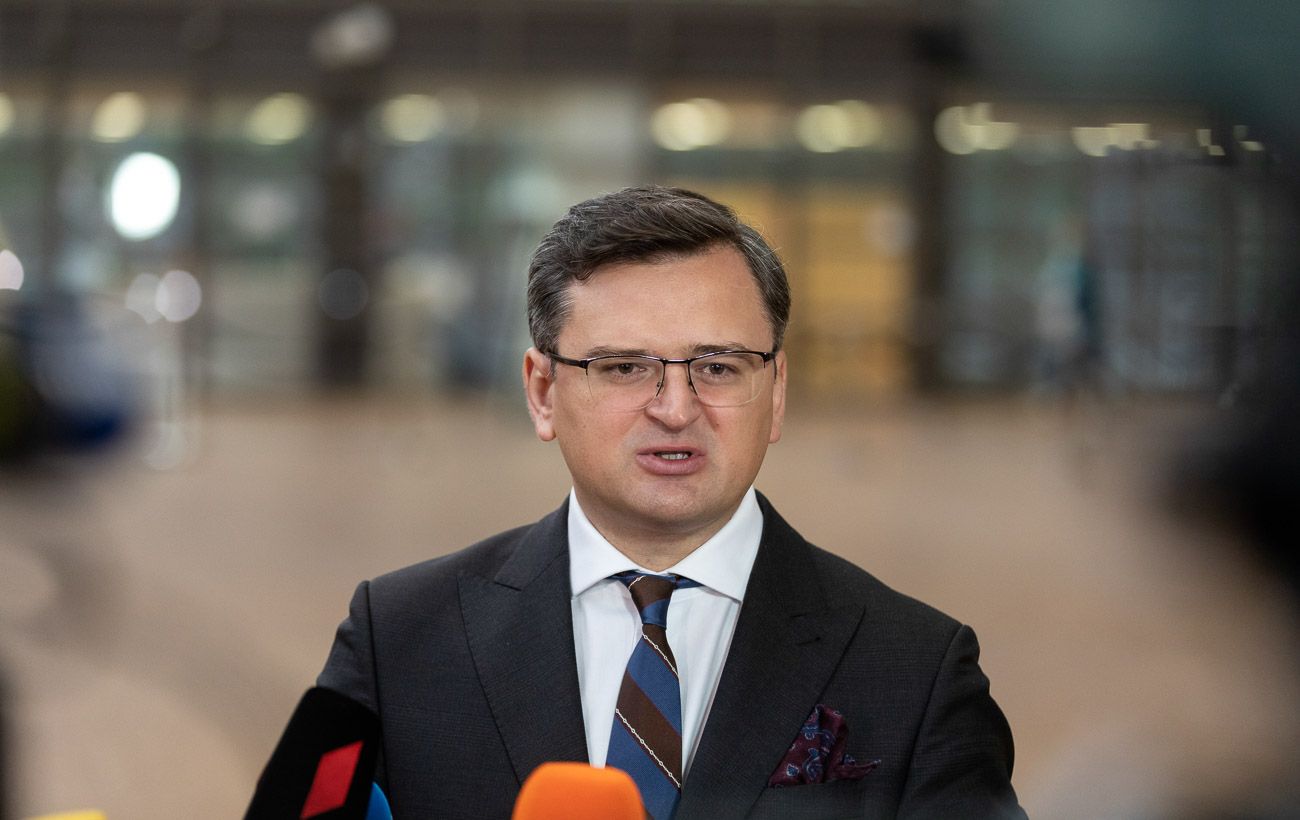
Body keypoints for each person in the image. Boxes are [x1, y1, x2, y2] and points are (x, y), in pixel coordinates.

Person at [316, 186, 1024, 818]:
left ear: (776, 393)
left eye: (718, 366)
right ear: (542, 392)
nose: (676, 409)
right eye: (625, 367)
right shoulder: (397, 639)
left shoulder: (916, 670)